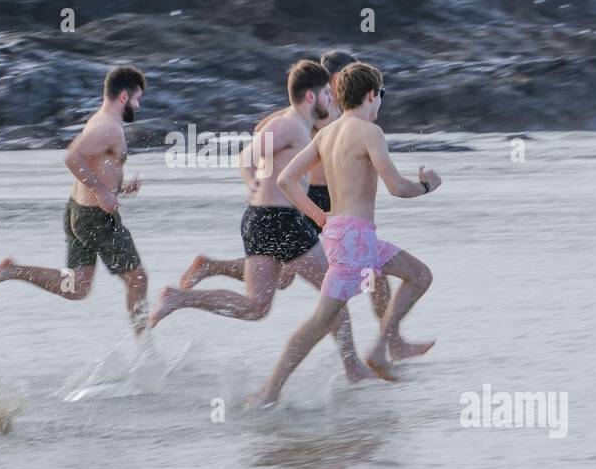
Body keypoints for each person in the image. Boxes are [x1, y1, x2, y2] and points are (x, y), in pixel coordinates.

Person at [182, 49, 427, 357]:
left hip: (335, 203)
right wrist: (256, 177)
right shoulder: (315, 113)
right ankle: (368, 355)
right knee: (286, 279)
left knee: (370, 273)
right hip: (311, 201)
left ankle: (389, 342)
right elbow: (263, 133)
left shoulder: (346, 112)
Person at [150, 60, 372, 382]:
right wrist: (251, 180)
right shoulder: (289, 125)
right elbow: (247, 157)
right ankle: (353, 369)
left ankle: (179, 298)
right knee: (333, 291)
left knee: (257, 306)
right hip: (279, 220)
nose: (330, 98)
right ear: (311, 97)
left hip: (263, 220)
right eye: (326, 93)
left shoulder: (300, 125)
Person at [256, 62, 439, 405]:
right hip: (355, 241)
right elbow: (398, 188)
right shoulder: (371, 132)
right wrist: (428, 185)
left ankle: (384, 346)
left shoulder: (325, 134)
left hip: (349, 236)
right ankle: (271, 390)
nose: (380, 102)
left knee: (419, 275)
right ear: (371, 95)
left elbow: (285, 180)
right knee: (321, 319)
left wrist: (319, 217)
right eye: (380, 95)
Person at [0, 65, 150, 335]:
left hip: (79, 212)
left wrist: (119, 188)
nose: (139, 105)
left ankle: (12, 271)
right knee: (138, 279)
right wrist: (103, 192)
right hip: (95, 217)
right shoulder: (108, 127)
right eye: (138, 98)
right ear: (124, 97)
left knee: (77, 287)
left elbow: (95, 164)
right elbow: (72, 156)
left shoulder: (101, 122)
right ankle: (147, 353)